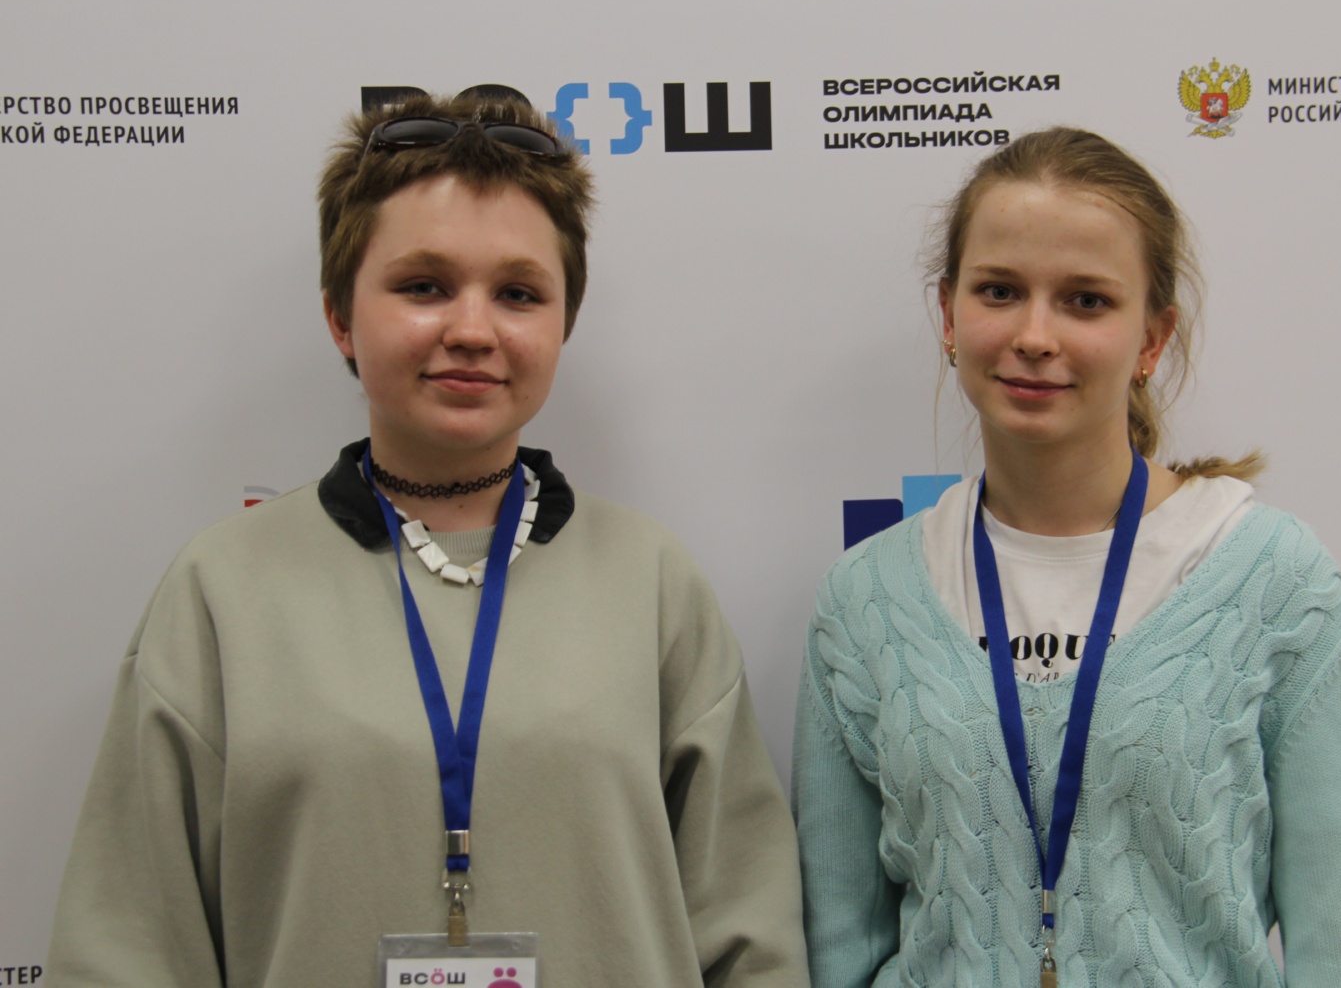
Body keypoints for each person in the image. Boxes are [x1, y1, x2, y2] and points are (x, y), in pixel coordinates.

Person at [47, 92, 809, 987]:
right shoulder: (222, 589)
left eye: (518, 294)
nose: (472, 331)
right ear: (340, 316)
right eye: (424, 287)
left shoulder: (652, 582)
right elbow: (127, 950)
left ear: (563, 323)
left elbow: (749, 938)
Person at [792, 127, 1341, 987]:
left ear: (1152, 339)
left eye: (1085, 301)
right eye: (1000, 291)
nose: (1035, 334)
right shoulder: (866, 601)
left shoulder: (1273, 582)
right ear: (949, 316)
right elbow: (837, 948)